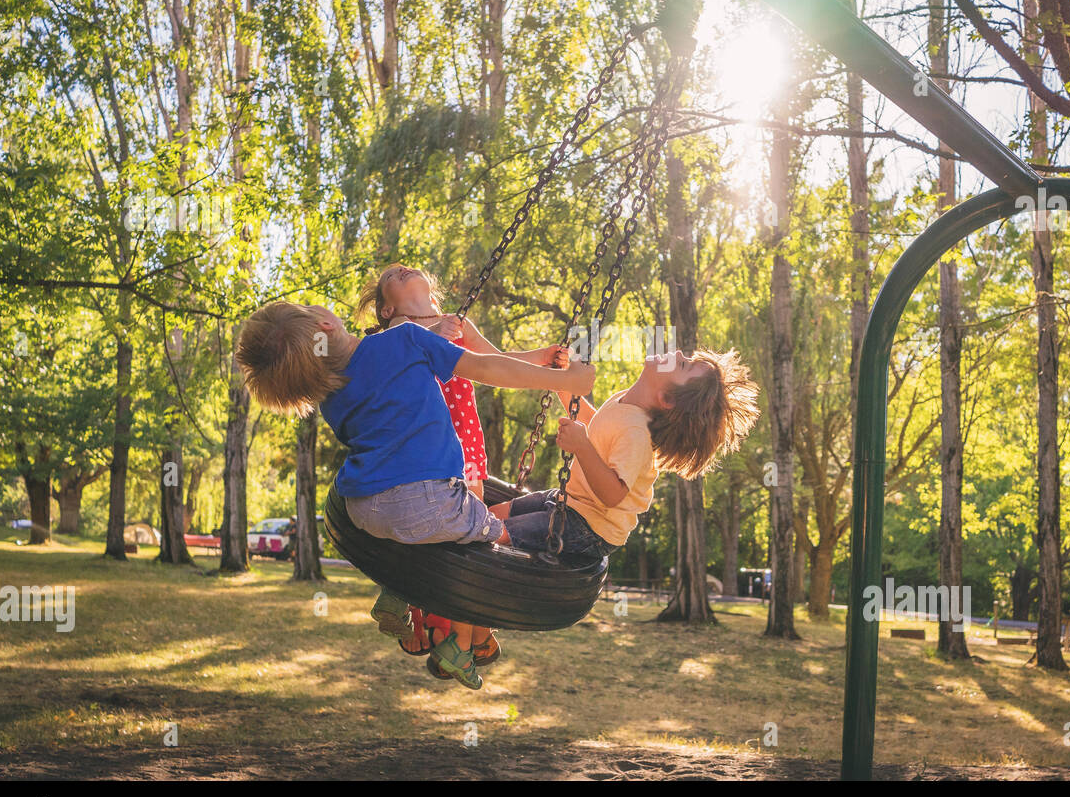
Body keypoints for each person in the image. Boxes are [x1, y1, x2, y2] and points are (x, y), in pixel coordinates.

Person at [234, 300, 594, 688]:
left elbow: (384, 383)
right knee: (500, 542)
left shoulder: (331, 398)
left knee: (420, 534)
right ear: (325, 323)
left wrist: (431, 339)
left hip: (363, 509)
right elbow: (486, 367)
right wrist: (562, 381)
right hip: (427, 498)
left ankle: (397, 591)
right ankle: (459, 644)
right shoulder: (406, 338)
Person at [353, 264, 569, 678]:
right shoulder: (389, 337)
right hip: (418, 448)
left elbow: (494, 363)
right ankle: (404, 602)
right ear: (384, 308)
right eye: (390, 277)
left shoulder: (458, 323)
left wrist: (542, 360)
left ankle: (455, 635)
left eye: (407, 268)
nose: (400, 268)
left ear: (432, 294)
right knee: (417, 519)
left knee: (455, 536)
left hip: (463, 447)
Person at [491, 348, 759, 563]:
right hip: (571, 502)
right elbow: (598, 426)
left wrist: (582, 446)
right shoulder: (626, 402)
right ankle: (477, 631)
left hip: (591, 526)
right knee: (491, 515)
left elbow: (613, 494)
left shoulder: (637, 434)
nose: (678, 354)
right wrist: (564, 385)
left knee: (492, 533)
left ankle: (472, 622)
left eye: (683, 366)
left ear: (666, 398)